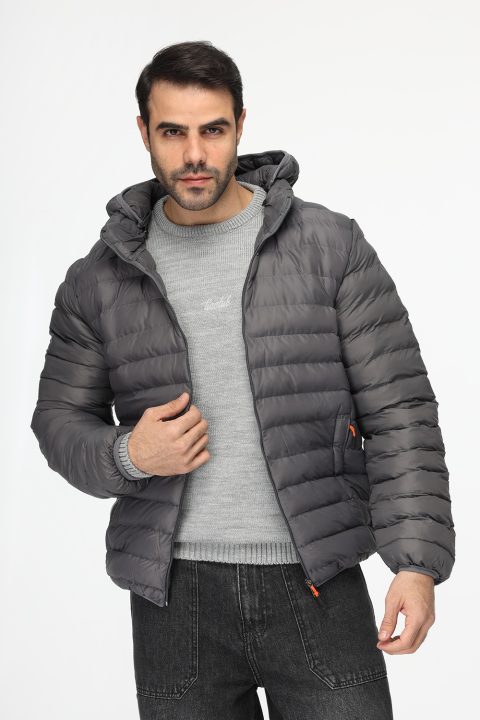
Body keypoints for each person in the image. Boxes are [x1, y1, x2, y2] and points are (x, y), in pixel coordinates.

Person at [31, 40, 455, 720]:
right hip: (174, 599)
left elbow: (399, 408)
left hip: (317, 578)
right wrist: (129, 453)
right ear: (143, 131)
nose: (195, 154)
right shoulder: (99, 278)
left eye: (213, 130)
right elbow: (58, 421)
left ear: (241, 125)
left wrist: (416, 562)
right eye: (173, 132)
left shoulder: (329, 246)